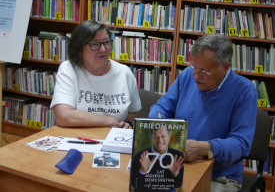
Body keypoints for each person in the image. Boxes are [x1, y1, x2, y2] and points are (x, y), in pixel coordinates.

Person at [149, 35, 257, 192]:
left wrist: (206, 148)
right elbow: (161, 107)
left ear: (225, 67)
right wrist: (159, 123)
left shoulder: (244, 91)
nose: (196, 75)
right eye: (194, 67)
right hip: (175, 165)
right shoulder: (187, 75)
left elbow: (241, 144)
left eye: (204, 71)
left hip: (218, 176)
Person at [51, 20, 141, 129]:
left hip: (113, 140)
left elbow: (134, 112)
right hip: (78, 138)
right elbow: (63, 116)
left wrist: (128, 124)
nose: (103, 49)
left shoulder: (124, 72)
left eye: (106, 42)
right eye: (95, 44)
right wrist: (109, 121)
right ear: (79, 50)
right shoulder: (69, 69)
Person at [132, 124, 184, 192]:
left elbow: (178, 184)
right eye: (156, 137)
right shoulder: (141, 156)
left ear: (169, 137)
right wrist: (143, 171)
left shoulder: (177, 156)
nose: (160, 140)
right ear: (151, 138)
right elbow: (134, 185)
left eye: (163, 136)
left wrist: (176, 174)